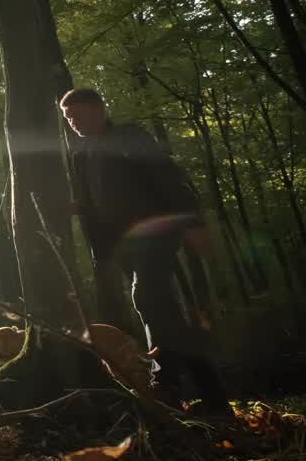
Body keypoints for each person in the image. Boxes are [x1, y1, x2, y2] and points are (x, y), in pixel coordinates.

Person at [61, 88, 231, 415]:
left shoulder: (128, 136)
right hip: (122, 244)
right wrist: (67, 208)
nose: (73, 123)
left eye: (78, 114)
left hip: (156, 233)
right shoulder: (81, 155)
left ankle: (167, 384)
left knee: (147, 299)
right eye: (68, 118)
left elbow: (169, 177)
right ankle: (207, 396)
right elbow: (90, 202)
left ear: (99, 109)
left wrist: (194, 224)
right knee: (160, 311)